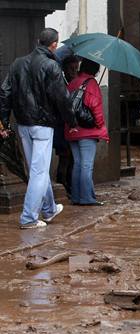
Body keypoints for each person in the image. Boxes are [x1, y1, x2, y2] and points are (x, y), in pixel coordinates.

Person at [0, 28, 78, 229]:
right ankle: (28, 218)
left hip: (23, 124)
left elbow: (4, 93)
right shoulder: (51, 66)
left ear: (38, 41)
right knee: (38, 172)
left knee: (37, 170)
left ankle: (49, 209)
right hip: (43, 125)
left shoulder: (17, 63)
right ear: (54, 45)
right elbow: (62, 98)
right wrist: (72, 121)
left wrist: (4, 121)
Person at [65, 58, 109, 206]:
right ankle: (87, 198)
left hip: (72, 129)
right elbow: (96, 108)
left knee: (78, 164)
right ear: (95, 70)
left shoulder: (73, 83)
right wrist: (101, 126)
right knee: (86, 165)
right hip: (87, 131)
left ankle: (76, 197)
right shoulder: (91, 84)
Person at [55, 55, 80, 198]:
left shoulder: (75, 83)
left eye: (76, 68)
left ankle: (68, 185)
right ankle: (63, 184)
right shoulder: (62, 84)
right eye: (71, 69)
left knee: (70, 158)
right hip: (62, 127)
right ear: (64, 69)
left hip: (70, 126)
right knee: (65, 157)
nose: (74, 72)